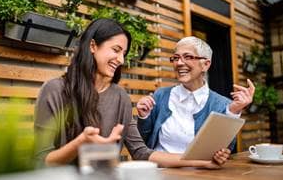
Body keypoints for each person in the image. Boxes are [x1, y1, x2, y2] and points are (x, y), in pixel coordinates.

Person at [34, 19, 230, 169]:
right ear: (93, 46)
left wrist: (203, 161)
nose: (120, 59)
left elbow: (141, 152)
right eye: (116, 50)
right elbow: (41, 161)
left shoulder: (120, 96)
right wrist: (80, 142)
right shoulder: (55, 90)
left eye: (124, 54)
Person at [137, 36, 255, 153]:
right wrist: (144, 116)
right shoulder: (161, 95)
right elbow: (143, 142)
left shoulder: (223, 105)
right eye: (176, 58)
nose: (179, 63)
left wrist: (232, 112)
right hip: (161, 169)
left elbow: (224, 150)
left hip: (197, 171)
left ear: (206, 65)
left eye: (187, 57)